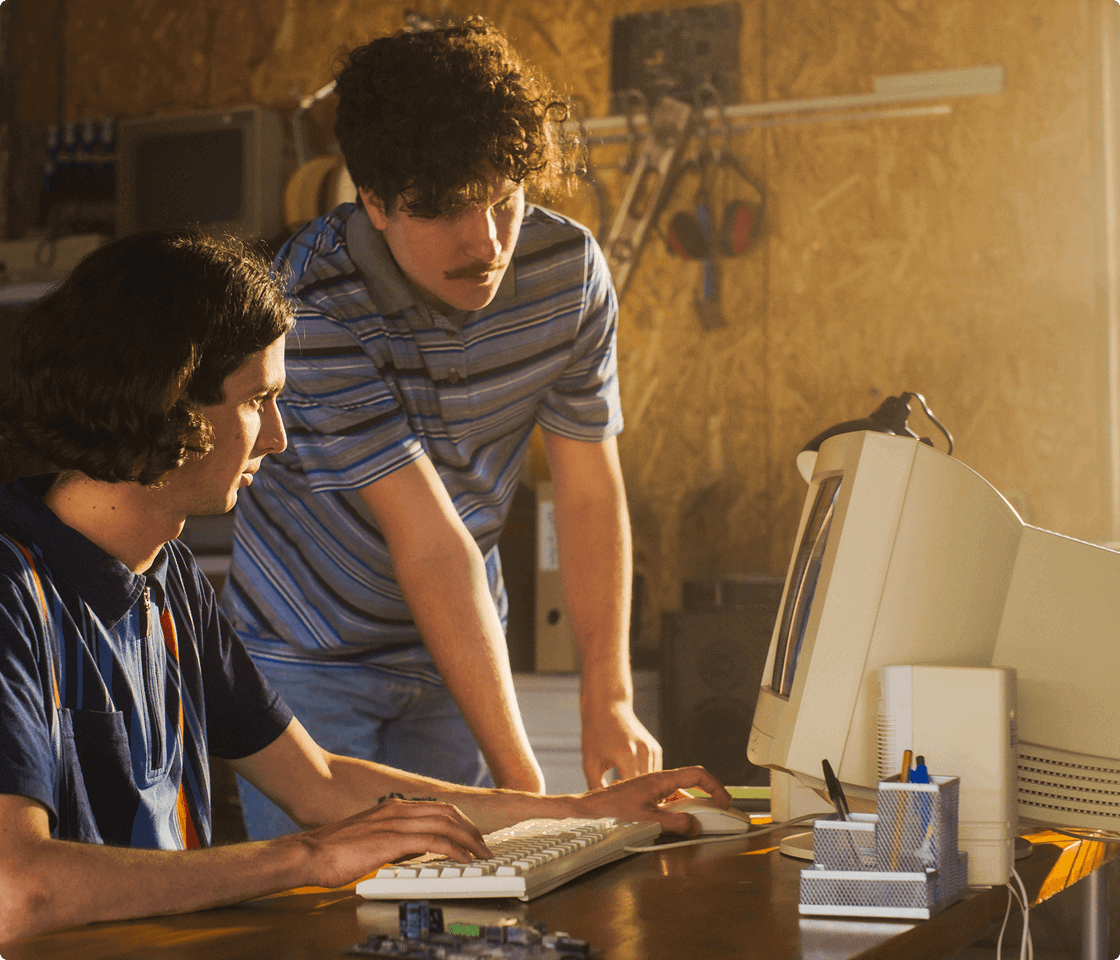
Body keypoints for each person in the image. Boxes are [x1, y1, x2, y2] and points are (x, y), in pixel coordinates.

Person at [0, 231, 727, 942]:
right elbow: (16, 889)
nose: (277, 438)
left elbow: (317, 783)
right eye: (258, 401)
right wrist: (306, 857)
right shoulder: (10, 591)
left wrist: (579, 811)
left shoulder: (167, 576)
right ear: (170, 400)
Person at [221, 16, 661, 838]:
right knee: (324, 922)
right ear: (375, 200)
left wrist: (609, 697)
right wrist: (533, 799)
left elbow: (589, 491)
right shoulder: (306, 304)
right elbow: (428, 540)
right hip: (308, 656)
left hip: (457, 651)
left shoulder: (567, 273)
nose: (486, 243)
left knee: (454, 914)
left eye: (504, 201)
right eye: (448, 211)